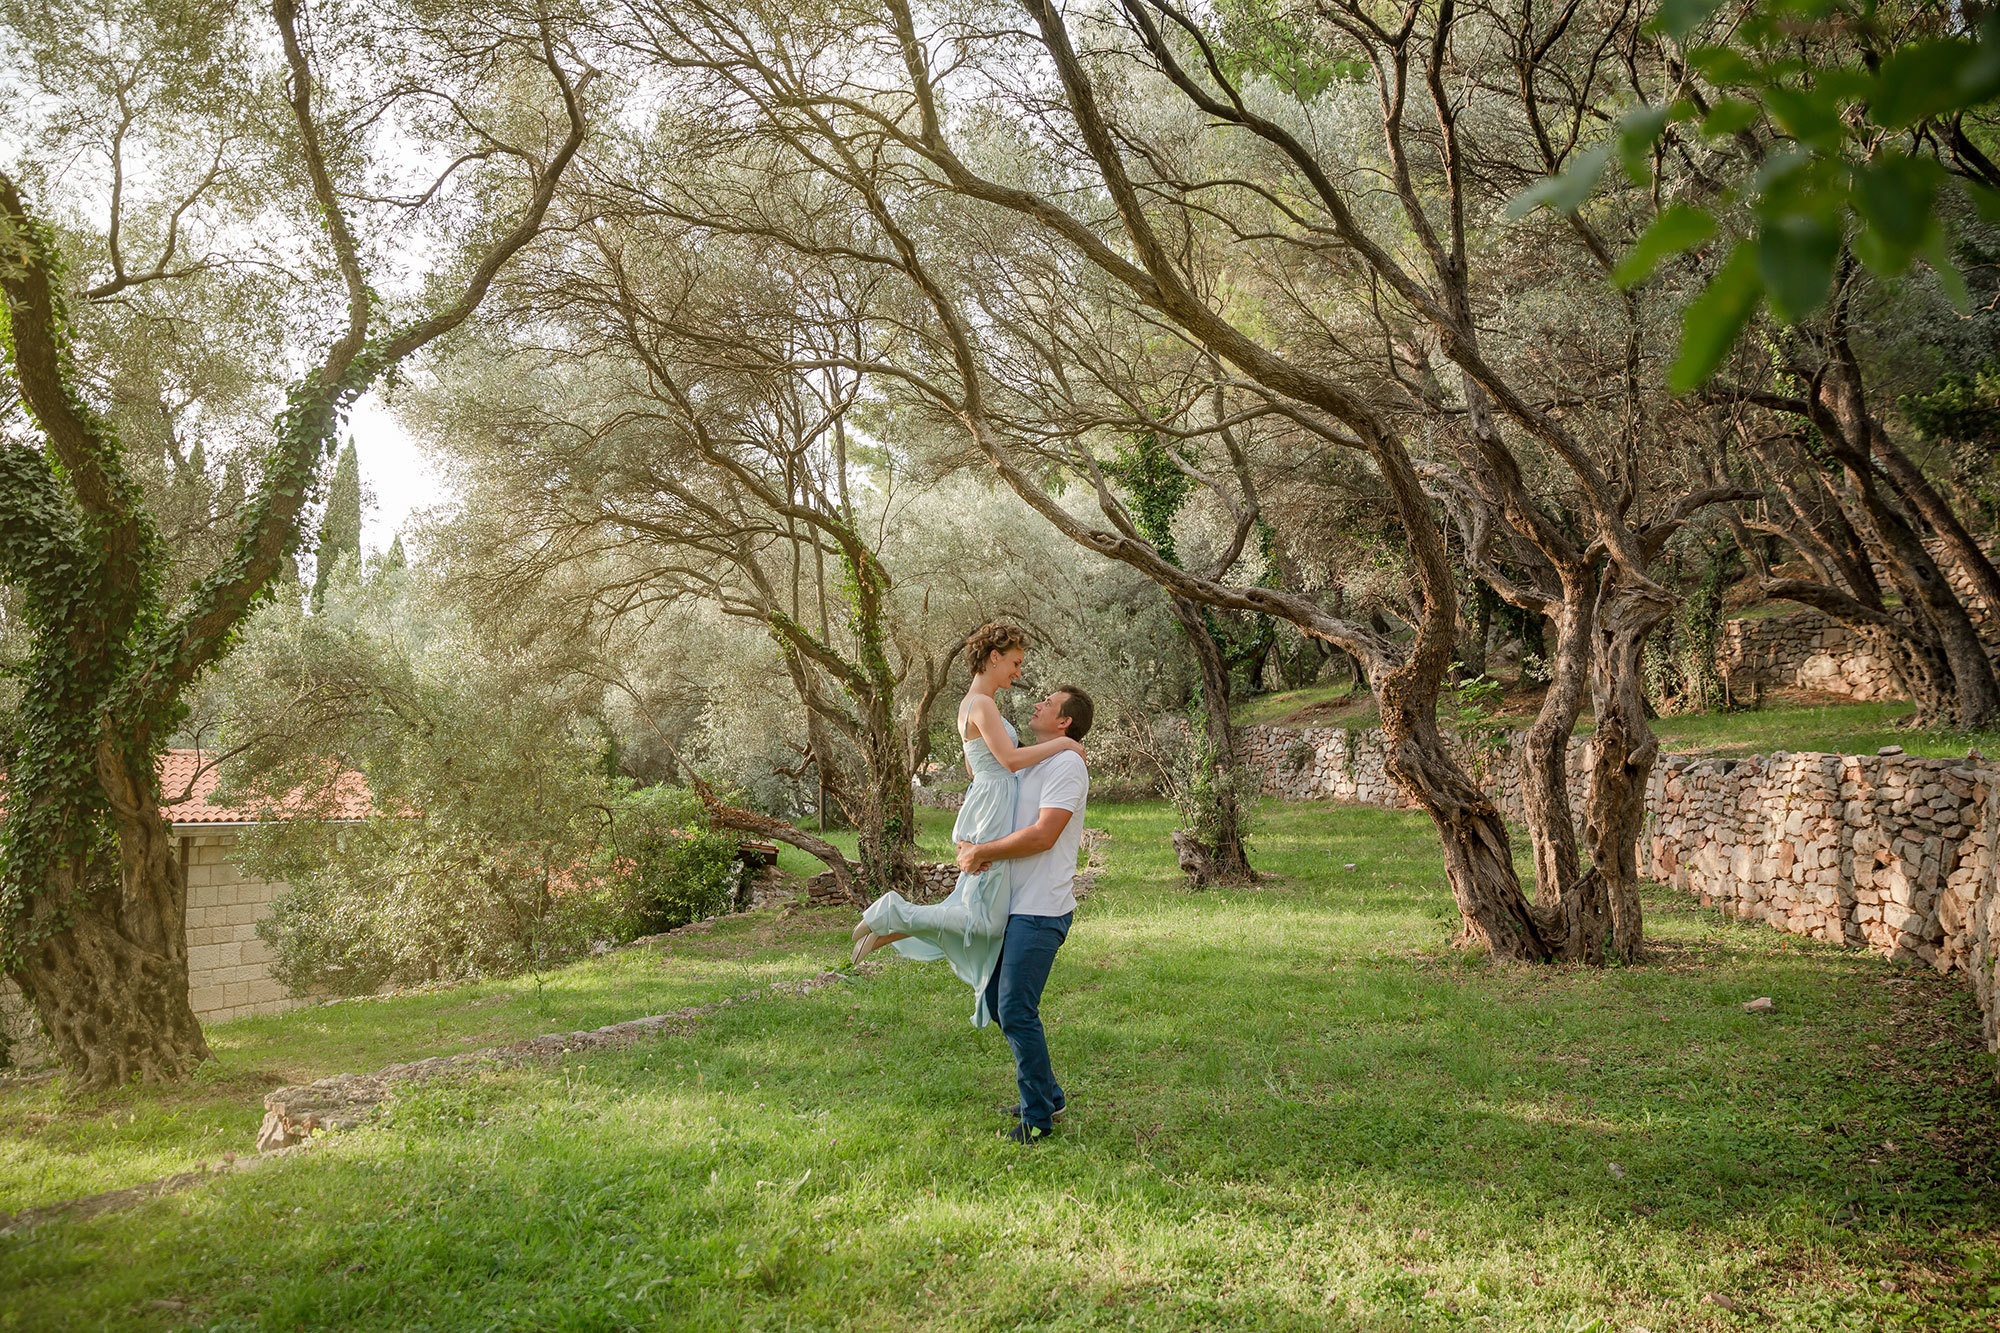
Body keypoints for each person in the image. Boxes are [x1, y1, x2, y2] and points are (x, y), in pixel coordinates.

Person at [849, 623, 1083, 1028]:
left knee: (979, 914)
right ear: (994, 657)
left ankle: (895, 928)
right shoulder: (983, 705)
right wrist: (1063, 743)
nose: (1018, 672)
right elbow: (1009, 762)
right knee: (984, 921)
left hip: (988, 803)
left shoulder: (974, 704)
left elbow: (977, 769)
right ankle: (894, 913)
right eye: (1015, 662)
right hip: (993, 809)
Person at [956, 682, 1092, 1145]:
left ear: (1064, 722)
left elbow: (1043, 835)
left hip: (1041, 909)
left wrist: (983, 852)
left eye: (1048, 704)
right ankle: (1049, 1095)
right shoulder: (1034, 761)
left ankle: (1037, 1118)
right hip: (1013, 905)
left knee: (1015, 1008)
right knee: (998, 1003)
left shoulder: (1068, 765)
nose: (1037, 703)